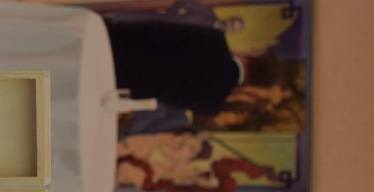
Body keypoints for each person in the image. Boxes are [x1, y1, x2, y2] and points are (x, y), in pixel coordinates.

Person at [104, 17, 280, 115]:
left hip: (117, 51)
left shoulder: (214, 41)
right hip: (118, 89)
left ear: (253, 53)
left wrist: (111, 29)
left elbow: (156, 31)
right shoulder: (213, 104)